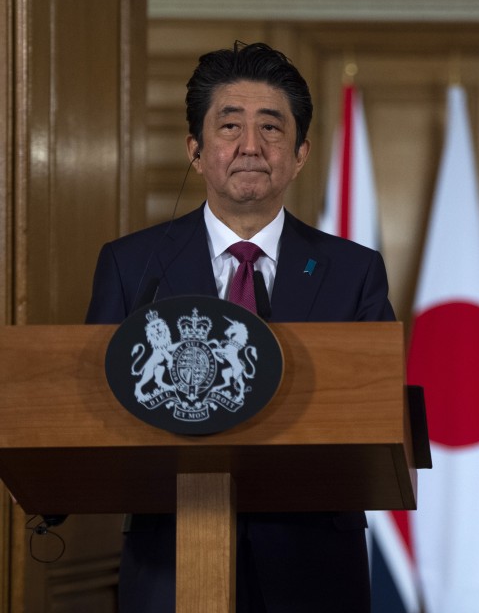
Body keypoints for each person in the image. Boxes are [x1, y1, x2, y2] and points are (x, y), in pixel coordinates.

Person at [86, 41, 393, 612]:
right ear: (196, 151)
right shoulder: (132, 266)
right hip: (171, 559)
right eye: (229, 126)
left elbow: (381, 416)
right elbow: (92, 416)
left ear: (300, 153)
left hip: (315, 564)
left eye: (271, 129)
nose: (251, 146)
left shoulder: (354, 270)